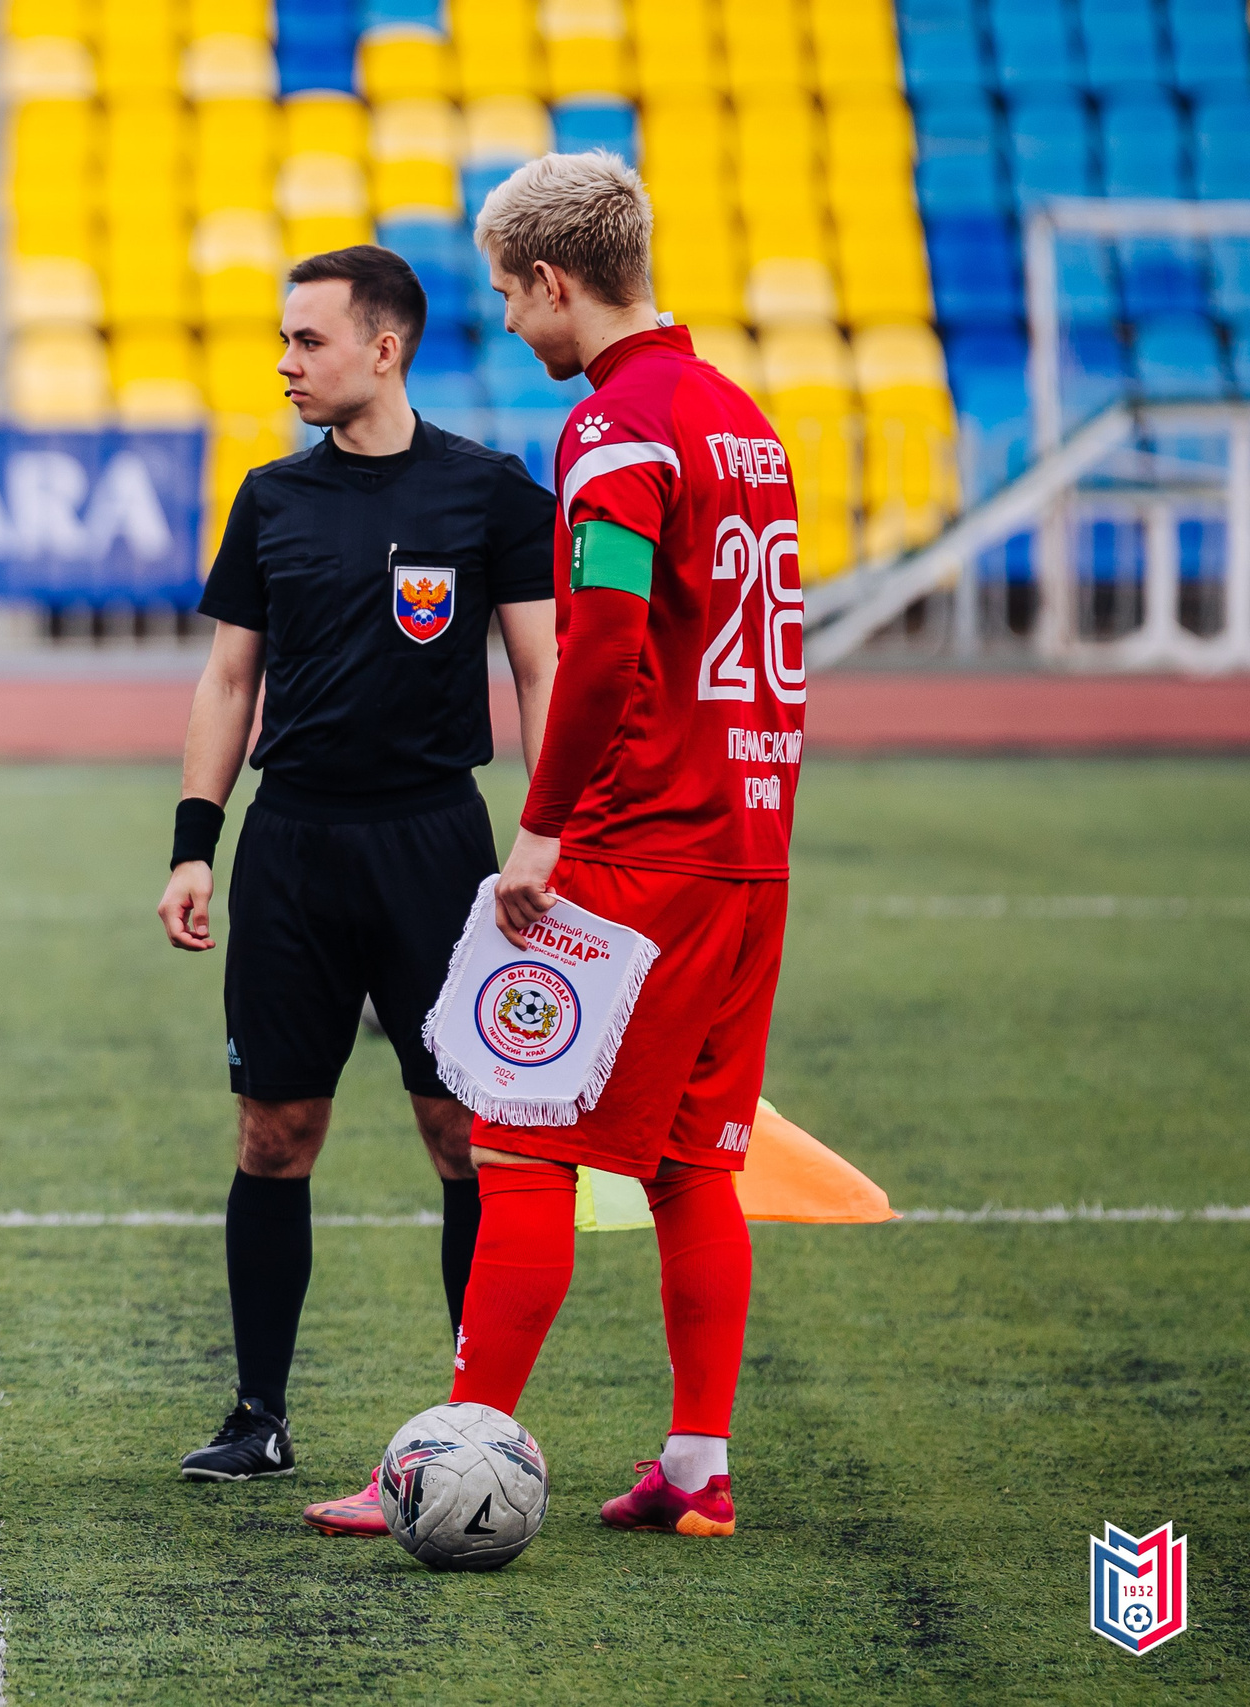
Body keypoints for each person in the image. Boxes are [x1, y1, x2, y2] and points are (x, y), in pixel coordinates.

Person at [153, 245, 559, 1497]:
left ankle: (471, 1414)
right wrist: (193, 844)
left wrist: (551, 835)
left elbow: (545, 673)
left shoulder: (490, 495)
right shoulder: (271, 499)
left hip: (440, 848)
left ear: (382, 347)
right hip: (291, 843)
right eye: (282, 341)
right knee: (275, 1131)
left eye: (306, 342)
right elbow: (230, 681)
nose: (284, 363)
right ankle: (257, 1413)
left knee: (460, 1134)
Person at [445, 150, 805, 1540]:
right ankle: (698, 1469)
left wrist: (541, 830)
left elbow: (601, 645)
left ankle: (462, 1452)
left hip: (639, 845)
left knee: (520, 1141)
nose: (515, 326)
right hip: (750, 843)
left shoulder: (622, 427)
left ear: (554, 279)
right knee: (690, 1160)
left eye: (510, 299)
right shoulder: (741, 418)